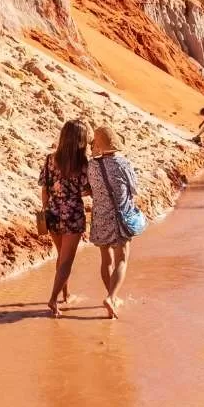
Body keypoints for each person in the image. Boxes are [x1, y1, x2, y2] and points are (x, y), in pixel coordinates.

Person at [85, 126, 141, 319]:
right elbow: (134, 189)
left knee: (105, 260)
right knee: (122, 260)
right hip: (120, 218)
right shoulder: (123, 163)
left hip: (100, 217)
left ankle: (112, 297)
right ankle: (111, 297)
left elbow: (89, 188)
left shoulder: (91, 165)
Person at [39, 120, 90, 317]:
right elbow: (86, 190)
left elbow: (45, 188)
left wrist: (46, 210)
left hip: (52, 211)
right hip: (73, 213)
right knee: (67, 260)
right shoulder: (83, 164)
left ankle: (65, 294)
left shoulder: (50, 159)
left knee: (61, 256)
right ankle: (53, 299)